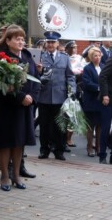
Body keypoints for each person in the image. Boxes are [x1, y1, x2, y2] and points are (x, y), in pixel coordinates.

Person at [0, 25, 40, 191]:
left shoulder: (27, 56)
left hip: (25, 107)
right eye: (17, 39)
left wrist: (32, 97)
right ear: (8, 41)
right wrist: (20, 97)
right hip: (7, 107)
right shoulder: (1, 58)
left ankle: (17, 175)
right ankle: (5, 175)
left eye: (22, 38)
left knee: (19, 142)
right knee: (6, 142)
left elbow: (35, 79)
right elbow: (1, 84)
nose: (21, 42)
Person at [37, 31, 76, 161]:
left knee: (60, 126)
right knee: (44, 125)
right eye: (48, 42)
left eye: (53, 42)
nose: (50, 44)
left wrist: (72, 90)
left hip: (60, 96)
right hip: (44, 96)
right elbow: (34, 75)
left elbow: (70, 76)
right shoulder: (40, 57)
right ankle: (44, 150)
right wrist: (40, 76)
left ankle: (59, 150)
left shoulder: (64, 58)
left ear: (58, 44)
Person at [81, 47, 104, 157]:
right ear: (91, 57)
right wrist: (99, 88)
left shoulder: (103, 67)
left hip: (101, 101)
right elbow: (86, 83)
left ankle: (98, 147)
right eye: (95, 56)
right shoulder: (87, 68)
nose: (98, 58)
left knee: (100, 125)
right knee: (90, 126)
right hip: (90, 100)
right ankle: (89, 147)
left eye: (99, 55)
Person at [65, 41, 85, 148]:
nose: (74, 50)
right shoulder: (63, 58)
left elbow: (83, 70)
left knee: (73, 115)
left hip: (76, 88)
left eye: (76, 48)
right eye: (72, 48)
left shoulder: (79, 59)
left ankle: (69, 138)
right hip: (64, 88)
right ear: (67, 49)